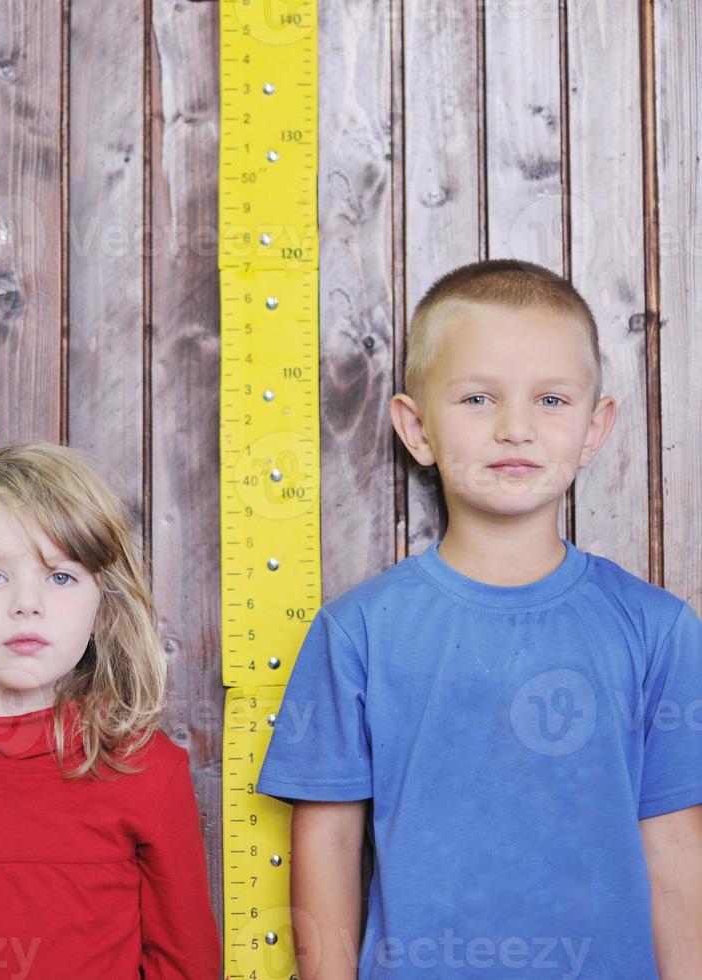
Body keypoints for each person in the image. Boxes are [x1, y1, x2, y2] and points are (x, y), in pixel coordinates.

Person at [256, 259, 702, 979]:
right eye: (476, 398)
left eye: (551, 400)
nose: (515, 428)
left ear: (595, 429)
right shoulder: (357, 631)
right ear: (416, 427)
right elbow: (327, 845)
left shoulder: (659, 630)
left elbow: (674, 848)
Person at [0, 441, 221, 979]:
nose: (26, 603)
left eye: (60, 576)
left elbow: (187, 962)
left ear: (103, 608)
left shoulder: (149, 768)